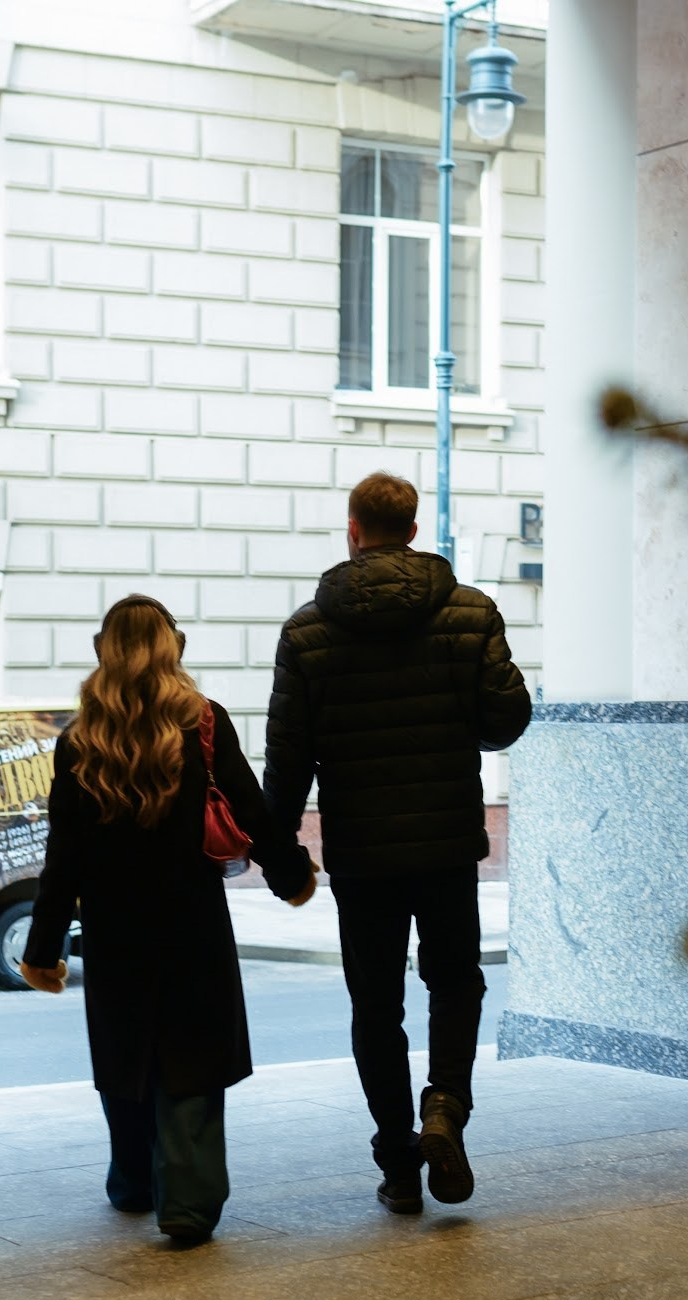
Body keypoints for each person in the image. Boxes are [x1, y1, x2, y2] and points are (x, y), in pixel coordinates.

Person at [262, 472, 533, 1215]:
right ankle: (444, 1106)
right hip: (446, 842)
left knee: (375, 1007)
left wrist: (280, 854)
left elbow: (287, 760)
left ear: (352, 530)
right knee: (454, 982)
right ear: (413, 530)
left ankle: (397, 1163)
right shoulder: (471, 612)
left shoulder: (307, 631)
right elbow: (506, 720)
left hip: (363, 854)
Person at [20, 595, 317, 1245]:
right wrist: (291, 876)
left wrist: (44, 947)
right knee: (191, 1058)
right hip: (190, 922)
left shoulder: (80, 741)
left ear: (105, 650)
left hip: (115, 927)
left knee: (127, 1053)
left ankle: (133, 1182)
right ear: (172, 647)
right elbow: (253, 810)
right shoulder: (202, 723)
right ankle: (187, 1200)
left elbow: (62, 861)